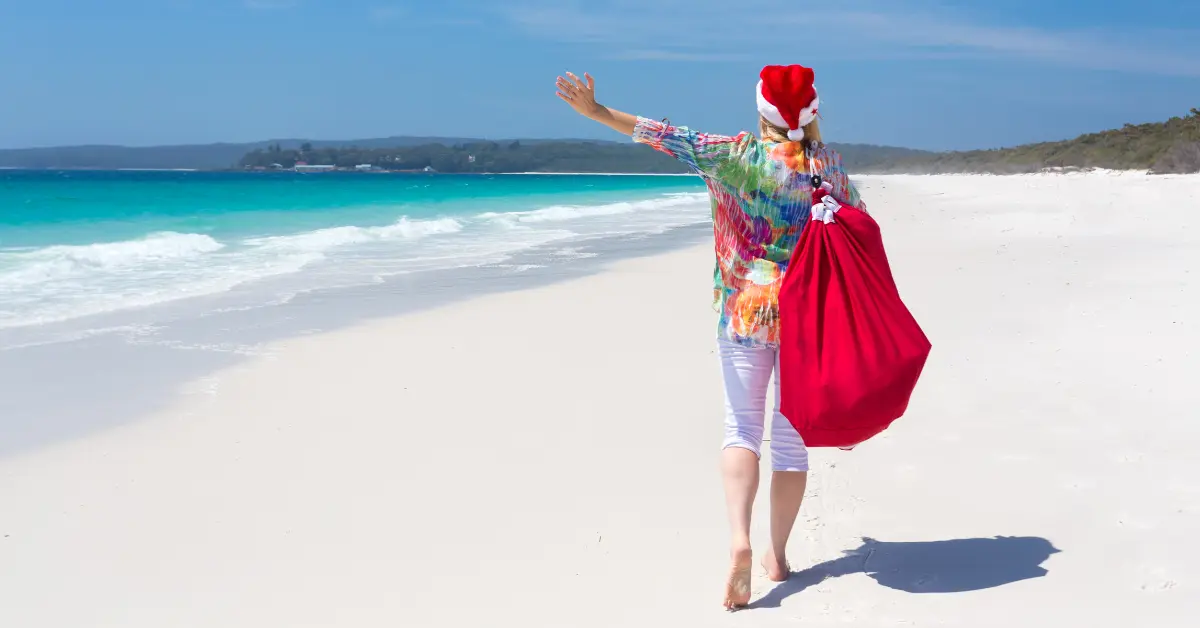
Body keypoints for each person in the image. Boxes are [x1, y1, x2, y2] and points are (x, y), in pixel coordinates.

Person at [555, 64, 867, 610]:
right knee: (790, 442)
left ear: (761, 110)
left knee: (741, 428)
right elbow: (857, 227)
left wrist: (598, 112)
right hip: (802, 322)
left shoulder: (734, 155)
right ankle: (776, 557)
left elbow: (664, 134)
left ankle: (739, 541)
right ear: (813, 113)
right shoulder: (829, 169)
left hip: (743, 314)